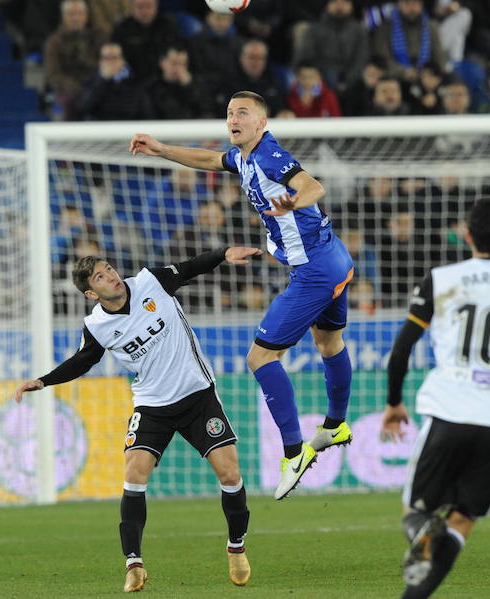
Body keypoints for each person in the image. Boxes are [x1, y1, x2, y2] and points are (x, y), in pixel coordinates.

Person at [129, 91, 356, 500]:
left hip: (315, 270)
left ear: (262, 123)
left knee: (259, 357)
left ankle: (293, 452)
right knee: (329, 341)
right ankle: (336, 425)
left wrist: (293, 202)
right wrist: (161, 149)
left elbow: (312, 186)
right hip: (336, 259)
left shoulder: (270, 157)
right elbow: (207, 159)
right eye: (230, 112)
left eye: (243, 113)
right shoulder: (244, 158)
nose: (233, 118)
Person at [14, 246, 260, 592]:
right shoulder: (97, 325)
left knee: (230, 472)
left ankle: (236, 547)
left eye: (109, 268)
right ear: (90, 293)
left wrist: (223, 254)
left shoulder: (151, 281)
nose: (111, 275)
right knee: (133, 472)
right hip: (152, 406)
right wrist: (43, 381)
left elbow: (190, 267)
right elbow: (83, 361)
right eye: (100, 276)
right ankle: (134, 565)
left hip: (197, 396)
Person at [381, 197, 490, 598]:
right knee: (461, 523)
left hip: (449, 412)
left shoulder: (441, 279)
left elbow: (402, 349)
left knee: (416, 511)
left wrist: (394, 401)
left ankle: (421, 531)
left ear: (467, 235)